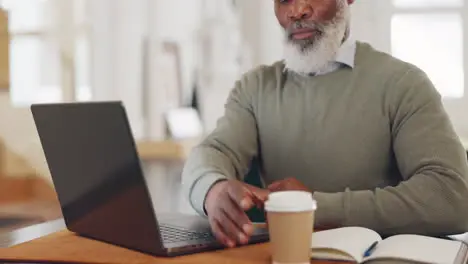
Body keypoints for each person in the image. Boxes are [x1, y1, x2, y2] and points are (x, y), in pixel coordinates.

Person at [182, 0, 468, 248]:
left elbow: (452, 197)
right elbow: (213, 152)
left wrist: (314, 207)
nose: (297, 11)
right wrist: (213, 189)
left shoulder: (404, 84)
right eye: (284, 0)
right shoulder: (255, 87)